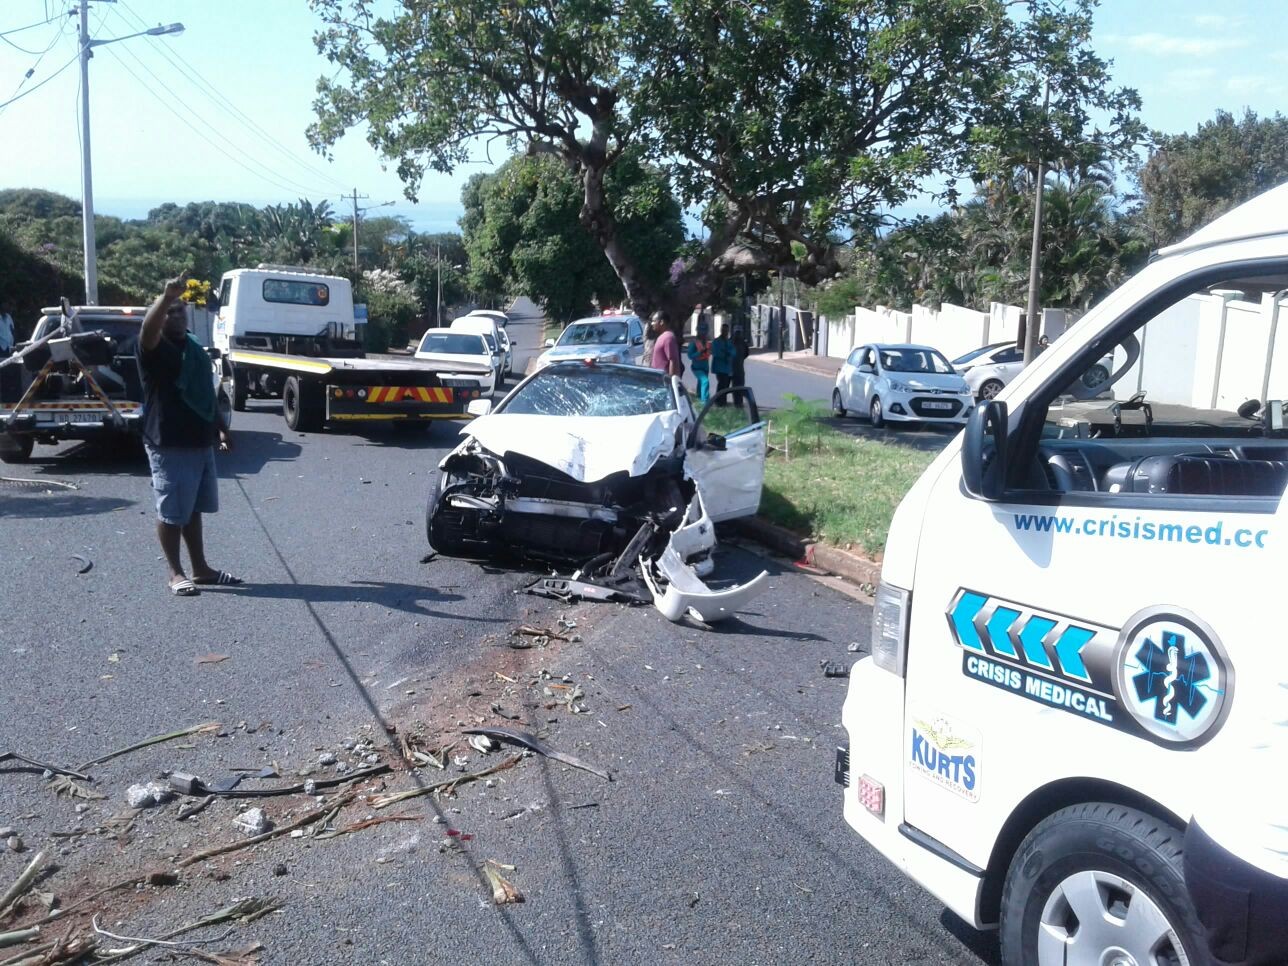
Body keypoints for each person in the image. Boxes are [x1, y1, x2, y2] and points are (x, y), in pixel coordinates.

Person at [138, 271, 240, 597]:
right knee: (172, 512)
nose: (176, 315)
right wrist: (166, 297)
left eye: (180, 309)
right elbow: (146, 331)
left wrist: (221, 430)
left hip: (199, 439)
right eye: (169, 311)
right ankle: (175, 572)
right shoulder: (153, 347)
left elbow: (207, 394)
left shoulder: (193, 347)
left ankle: (201, 569)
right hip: (169, 441)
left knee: (193, 509)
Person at [649, 310, 682, 378]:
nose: (652, 323)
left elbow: (673, 360)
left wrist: (670, 381)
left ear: (661, 322)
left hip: (664, 381)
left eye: (654, 321)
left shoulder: (668, 337)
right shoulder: (662, 336)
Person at [687, 320, 712, 403]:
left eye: (705, 330)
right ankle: (705, 402)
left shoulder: (707, 343)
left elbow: (710, 352)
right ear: (698, 331)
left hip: (705, 367)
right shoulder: (693, 343)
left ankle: (698, 397)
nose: (703, 333)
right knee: (705, 381)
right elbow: (690, 356)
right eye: (701, 330)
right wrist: (699, 352)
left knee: (700, 382)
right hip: (696, 367)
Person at [710, 323, 735, 405]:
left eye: (726, 330)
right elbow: (715, 352)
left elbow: (734, 352)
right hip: (719, 367)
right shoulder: (716, 341)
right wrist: (724, 354)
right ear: (721, 330)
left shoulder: (729, 342)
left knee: (726, 385)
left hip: (728, 368)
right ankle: (719, 401)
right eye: (723, 330)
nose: (725, 332)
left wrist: (729, 353)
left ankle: (721, 400)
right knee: (722, 384)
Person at [731, 325, 749, 404]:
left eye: (739, 333)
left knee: (740, 386)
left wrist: (740, 359)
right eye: (736, 332)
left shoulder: (743, 343)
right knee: (731, 387)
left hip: (740, 369)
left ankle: (739, 402)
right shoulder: (730, 342)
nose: (738, 334)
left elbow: (746, 353)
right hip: (730, 368)